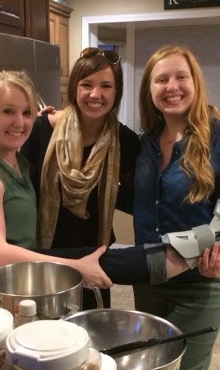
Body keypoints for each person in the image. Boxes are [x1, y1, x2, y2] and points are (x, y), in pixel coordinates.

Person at [0, 70, 220, 306]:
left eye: (26, 112)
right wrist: (73, 266)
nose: (19, 122)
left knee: (101, 257)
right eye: (8, 111)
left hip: (13, 270)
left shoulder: (16, 157)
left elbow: (134, 195)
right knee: (97, 259)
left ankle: (177, 256)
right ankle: (173, 259)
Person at [132, 45, 220, 370]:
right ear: (149, 89)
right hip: (149, 278)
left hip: (199, 282)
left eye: (181, 77)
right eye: (161, 79)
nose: (172, 86)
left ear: (195, 82)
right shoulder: (145, 143)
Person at [20, 47, 138, 309]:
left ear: (116, 92)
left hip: (93, 256)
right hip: (44, 254)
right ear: (75, 88)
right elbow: (21, 192)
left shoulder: (126, 141)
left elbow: (135, 199)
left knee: (90, 329)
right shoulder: (41, 129)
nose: (95, 94)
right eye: (87, 84)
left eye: (106, 86)